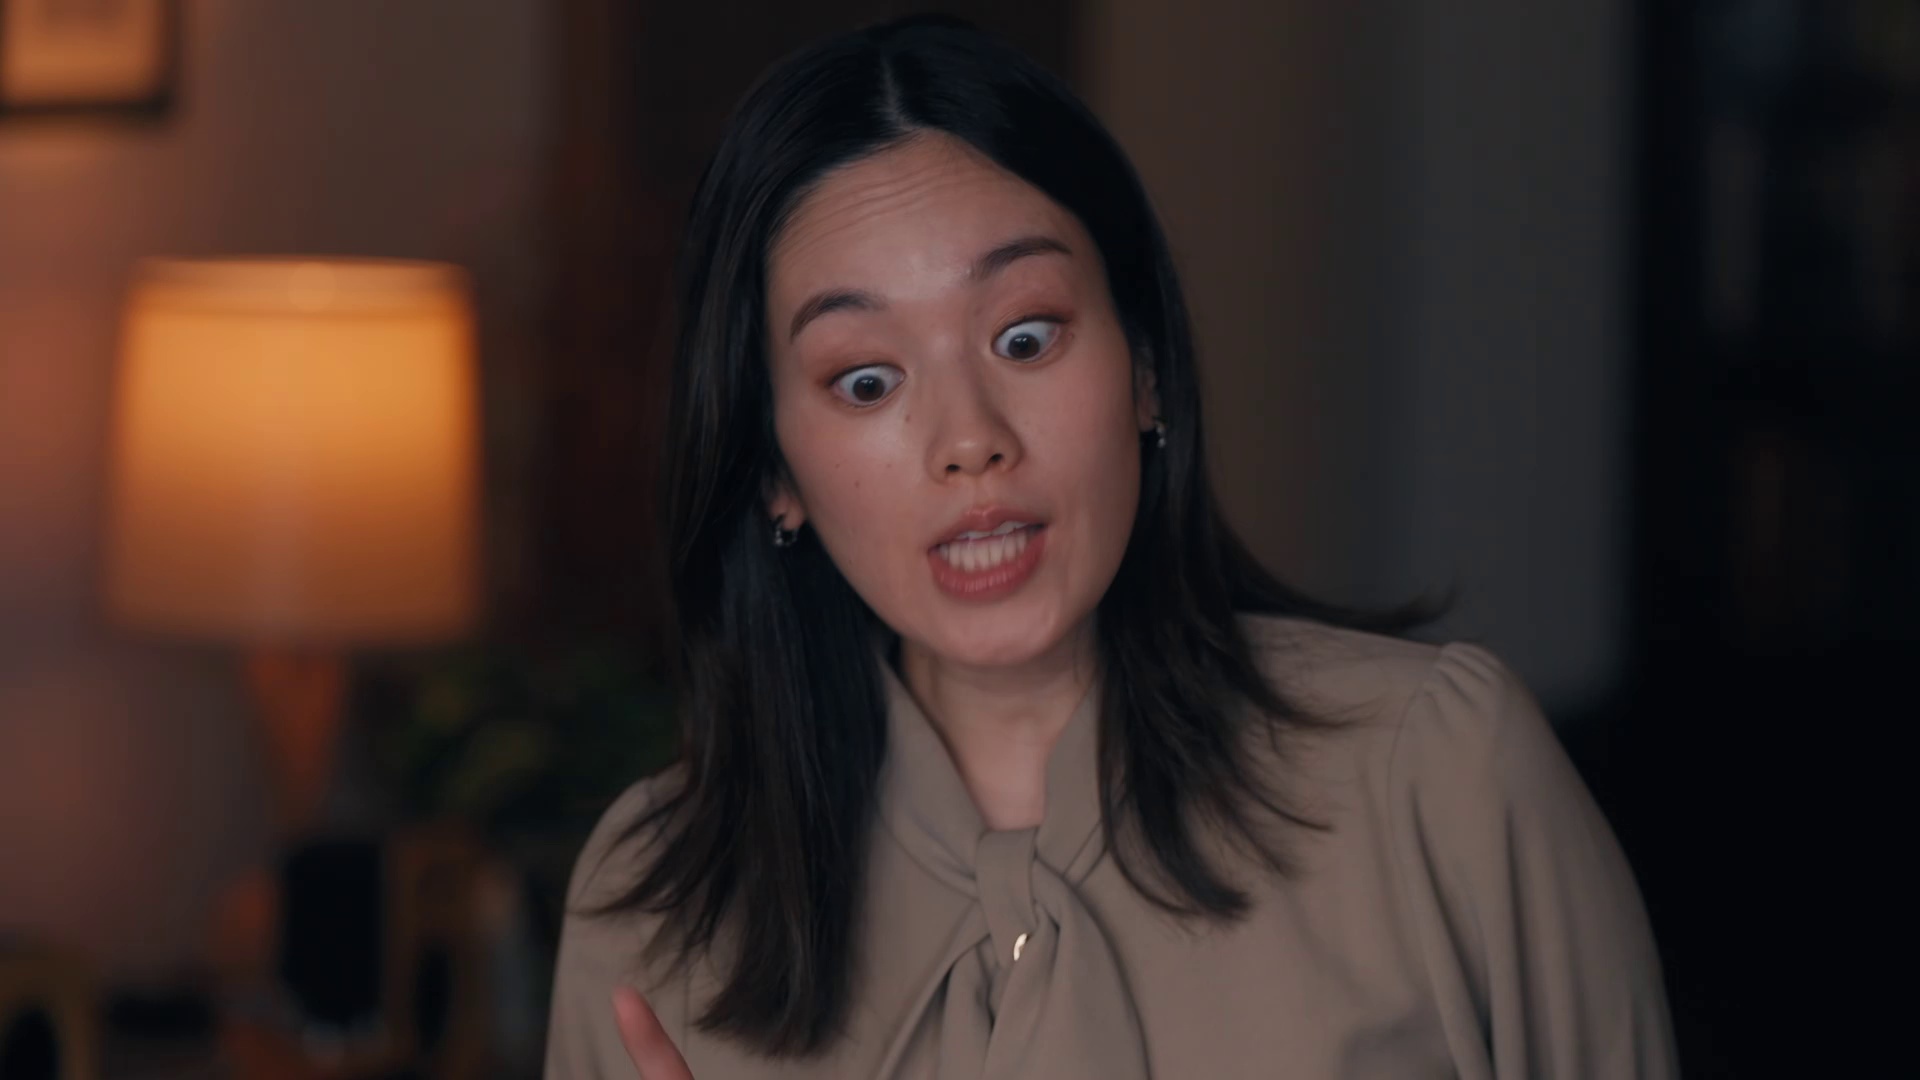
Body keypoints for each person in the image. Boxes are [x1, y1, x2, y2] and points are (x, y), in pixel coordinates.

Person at [545, 15, 1676, 1079]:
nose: (970, 441)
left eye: (1025, 337)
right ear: (776, 474)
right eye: (867, 380)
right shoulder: (654, 909)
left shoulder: (1437, 776)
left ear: (1143, 366)